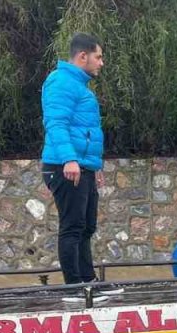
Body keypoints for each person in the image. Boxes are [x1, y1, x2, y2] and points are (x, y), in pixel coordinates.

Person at [40, 32, 107, 287]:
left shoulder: (78, 86)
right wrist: (69, 159)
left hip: (82, 166)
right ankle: (75, 287)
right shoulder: (61, 82)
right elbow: (56, 123)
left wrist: (94, 166)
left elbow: (86, 131)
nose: (101, 63)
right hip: (64, 166)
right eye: (98, 57)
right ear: (83, 56)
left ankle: (89, 282)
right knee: (72, 226)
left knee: (87, 226)